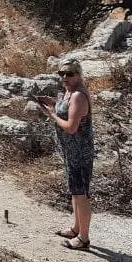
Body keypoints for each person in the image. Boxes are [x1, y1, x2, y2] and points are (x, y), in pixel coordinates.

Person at [39, 60, 94, 250]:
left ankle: (84, 238)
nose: (64, 77)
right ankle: (76, 228)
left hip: (79, 153)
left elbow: (71, 127)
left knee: (81, 194)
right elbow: (66, 108)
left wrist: (52, 114)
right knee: (75, 192)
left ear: (78, 75)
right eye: (61, 73)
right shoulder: (68, 93)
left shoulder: (78, 95)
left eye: (69, 74)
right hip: (71, 152)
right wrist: (54, 103)